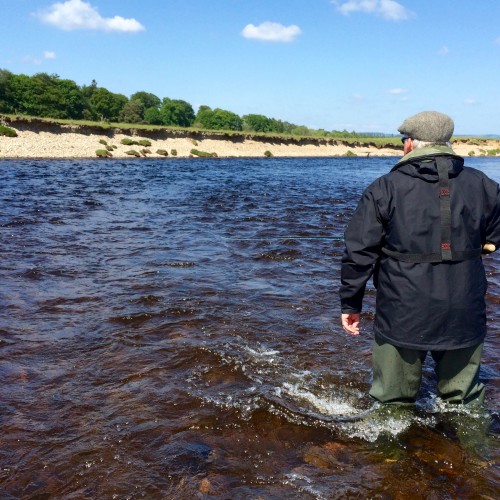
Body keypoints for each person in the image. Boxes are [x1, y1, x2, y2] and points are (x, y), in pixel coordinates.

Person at [339, 111, 500, 406]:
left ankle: (390, 453)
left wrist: (351, 303)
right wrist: (483, 248)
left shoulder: (385, 187)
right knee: (465, 402)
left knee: (392, 402)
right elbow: (496, 233)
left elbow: (359, 252)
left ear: (412, 143)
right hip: (464, 307)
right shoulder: (483, 184)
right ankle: (476, 452)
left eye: (404, 140)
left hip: (404, 312)